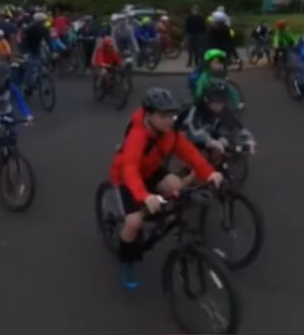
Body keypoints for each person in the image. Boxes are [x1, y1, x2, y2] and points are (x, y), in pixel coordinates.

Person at [109, 87, 224, 289]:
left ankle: (167, 219)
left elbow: (190, 153)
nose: (169, 120)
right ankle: (127, 263)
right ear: (149, 115)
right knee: (134, 222)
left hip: (150, 171)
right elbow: (129, 169)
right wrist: (144, 196)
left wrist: (209, 173)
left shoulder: (170, 133)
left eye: (171, 115)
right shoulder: (138, 136)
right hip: (126, 178)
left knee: (176, 185)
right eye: (163, 116)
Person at [177, 78, 256, 185]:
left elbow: (236, 125)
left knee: (224, 143)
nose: (219, 106)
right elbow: (193, 132)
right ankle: (187, 178)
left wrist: (248, 139)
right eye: (216, 102)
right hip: (187, 137)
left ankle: (213, 166)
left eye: (222, 102)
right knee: (197, 165)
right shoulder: (196, 109)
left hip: (207, 134)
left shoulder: (222, 109)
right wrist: (211, 141)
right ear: (206, 99)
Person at [0, 63, 34, 177]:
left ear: (7, 77)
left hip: (8, 114)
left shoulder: (13, 88)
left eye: (2, 78)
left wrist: (28, 115)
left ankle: (10, 155)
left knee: (13, 136)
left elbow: (21, 103)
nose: (0, 81)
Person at [20, 12, 50, 92]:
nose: (44, 23)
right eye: (43, 21)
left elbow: (48, 40)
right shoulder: (29, 29)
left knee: (43, 62)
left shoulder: (44, 29)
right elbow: (24, 41)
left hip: (37, 48)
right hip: (28, 49)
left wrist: (51, 51)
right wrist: (25, 52)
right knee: (30, 67)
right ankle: (26, 85)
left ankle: (40, 78)